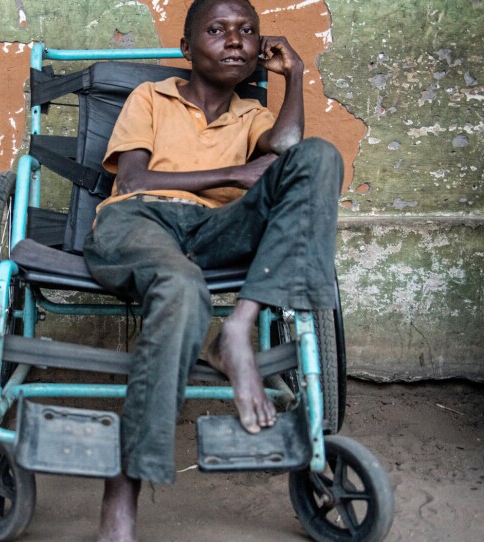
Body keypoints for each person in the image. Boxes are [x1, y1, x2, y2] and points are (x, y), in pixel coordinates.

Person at [82, 0, 344, 540]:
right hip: (139, 221)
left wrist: (294, 74)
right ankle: (123, 491)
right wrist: (235, 171)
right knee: (179, 285)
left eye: (247, 32)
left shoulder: (252, 116)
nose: (235, 41)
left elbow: (290, 150)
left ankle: (237, 329)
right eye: (218, 30)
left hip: (214, 230)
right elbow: (134, 181)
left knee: (320, 156)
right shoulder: (149, 96)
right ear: (186, 48)